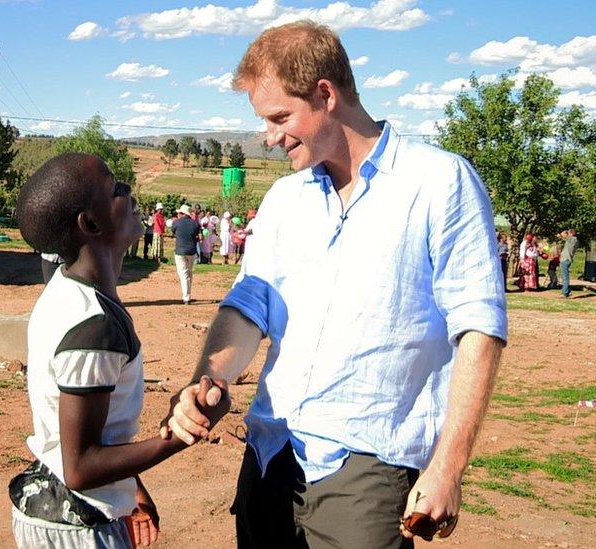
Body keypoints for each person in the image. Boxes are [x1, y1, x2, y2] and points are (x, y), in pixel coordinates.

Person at [162, 21, 506, 548]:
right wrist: (210, 378)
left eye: (280, 118)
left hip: (364, 470)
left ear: (326, 94)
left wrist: (448, 467)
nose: (270, 138)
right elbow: (248, 308)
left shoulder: (438, 182)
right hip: (269, 455)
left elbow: (478, 329)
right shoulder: (284, 200)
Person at [9, 153, 224, 548]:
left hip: (61, 511)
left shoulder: (68, 290)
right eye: (113, 189)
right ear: (89, 224)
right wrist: (182, 432)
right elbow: (80, 466)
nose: (127, 190)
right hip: (79, 527)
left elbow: (88, 432)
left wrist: (132, 489)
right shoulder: (95, 326)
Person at [172, 205, 199, 305]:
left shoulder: (176, 223)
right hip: (191, 250)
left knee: (183, 274)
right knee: (189, 272)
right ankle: (187, 294)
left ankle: (186, 297)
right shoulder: (195, 224)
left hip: (180, 251)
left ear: (182, 214)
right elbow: (196, 235)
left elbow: (173, 231)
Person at [560, 229, 578, 298]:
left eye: (568, 232)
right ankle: (567, 291)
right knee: (565, 276)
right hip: (566, 259)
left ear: (571, 233)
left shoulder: (573, 239)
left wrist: (563, 233)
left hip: (566, 259)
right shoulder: (572, 240)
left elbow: (563, 235)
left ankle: (565, 293)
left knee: (565, 277)